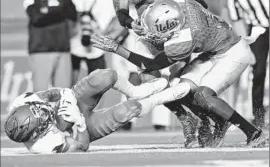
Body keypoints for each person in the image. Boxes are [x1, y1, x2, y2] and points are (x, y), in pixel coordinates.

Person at [91, 0, 268, 148]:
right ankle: (217, 120)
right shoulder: (178, 2)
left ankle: (252, 132)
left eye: (157, 32)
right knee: (186, 92)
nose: (152, 36)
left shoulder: (185, 39)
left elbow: (151, 64)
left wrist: (116, 48)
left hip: (233, 52)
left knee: (202, 95)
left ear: (173, 29)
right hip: (212, 52)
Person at [104, 0, 207, 147]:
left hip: (177, 19)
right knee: (150, 82)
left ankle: (209, 118)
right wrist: (132, 23)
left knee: (183, 79)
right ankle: (186, 120)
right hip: (150, 29)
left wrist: (172, 15)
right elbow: (120, 6)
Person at [4, 68, 190, 153]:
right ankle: (159, 98)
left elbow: (50, 94)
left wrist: (63, 93)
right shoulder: (43, 145)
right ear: (37, 132)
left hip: (69, 106)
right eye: (42, 116)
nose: (44, 111)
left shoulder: (24, 101)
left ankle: (137, 90)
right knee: (128, 110)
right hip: (80, 129)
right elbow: (81, 147)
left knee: (103, 76)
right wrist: (80, 122)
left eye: (40, 109)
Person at [226, 0, 269, 128]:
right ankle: (258, 116)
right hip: (258, 29)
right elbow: (237, 21)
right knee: (258, 72)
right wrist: (247, 46)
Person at [23, 0, 77, 91]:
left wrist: (47, 11)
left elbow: (72, 13)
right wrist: (59, 10)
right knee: (40, 93)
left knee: (64, 94)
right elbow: (36, 18)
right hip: (41, 49)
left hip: (62, 47)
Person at [67, 0, 115, 85]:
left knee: (99, 86)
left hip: (96, 48)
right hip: (74, 46)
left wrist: (95, 26)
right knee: (69, 86)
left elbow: (108, 27)